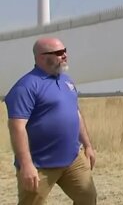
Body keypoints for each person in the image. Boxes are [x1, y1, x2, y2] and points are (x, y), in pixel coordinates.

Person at [4, 37, 97, 205]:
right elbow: (17, 127)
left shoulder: (66, 80)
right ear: (41, 57)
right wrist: (26, 165)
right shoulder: (25, 87)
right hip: (40, 165)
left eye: (65, 51)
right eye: (59, 53)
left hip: (72, 159)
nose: (65, 56)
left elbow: (75, 113)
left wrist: (88, 146)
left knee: (87, 197)